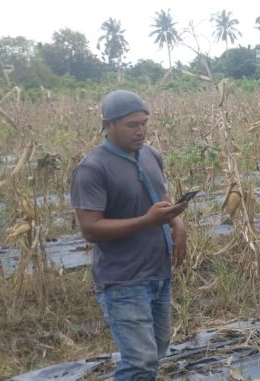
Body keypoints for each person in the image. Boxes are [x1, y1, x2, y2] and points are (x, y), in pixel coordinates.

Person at [71, 90, 189, 380]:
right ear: (107, 125)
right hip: (123, 280)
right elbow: (90, 229)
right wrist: (148, 221)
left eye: (144, 123)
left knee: (157, 349)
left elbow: (161, 197)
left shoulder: (151, 155)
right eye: (132, 125)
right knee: (140, 362)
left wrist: (177, 223)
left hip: (158, 272)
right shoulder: (92, 169)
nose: (141, 131)